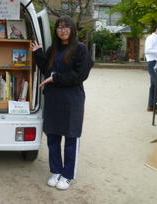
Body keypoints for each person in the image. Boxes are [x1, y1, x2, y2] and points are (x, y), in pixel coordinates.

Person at [31, 16, 93, 190]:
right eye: (59, 27)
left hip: (72, 99)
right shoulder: (54, 49)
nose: (62, 30)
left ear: (72, 29)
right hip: (53, 98)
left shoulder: (80, 49)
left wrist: (55, 78)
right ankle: (56, 170)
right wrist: (38, 53)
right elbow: (46, 70)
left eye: (66, 27)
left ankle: (67, 174)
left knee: (71, 137)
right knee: (53, 137)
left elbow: (80, 75)